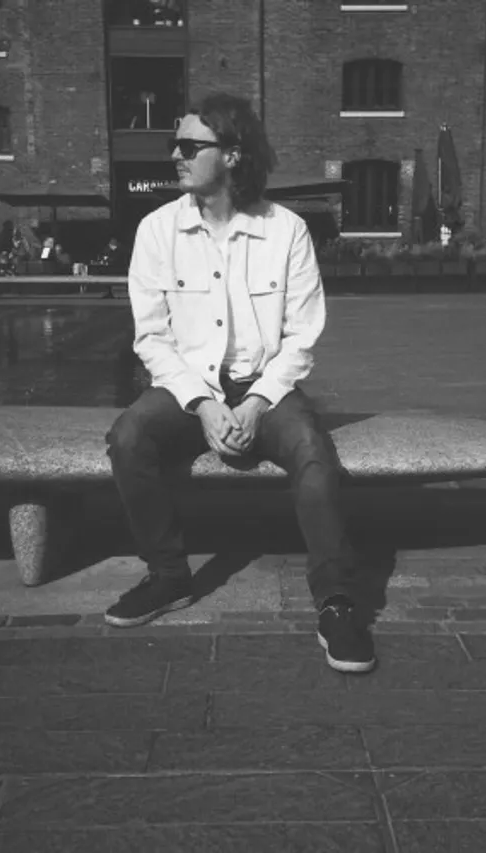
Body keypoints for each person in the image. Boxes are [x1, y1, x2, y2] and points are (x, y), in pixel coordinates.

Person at [104, 92, 376, 674]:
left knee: (312, 450)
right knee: (128, 437)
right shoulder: (156, 231)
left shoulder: (286, 231)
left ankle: (337, 601)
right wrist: (203, 405)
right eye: (175, 145)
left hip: (265, 387)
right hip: (187, 388)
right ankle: (168, 576)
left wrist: (254, 404)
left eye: (189, 146)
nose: (175, 155)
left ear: (231, 154)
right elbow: (151, 339)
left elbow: (302, 336)